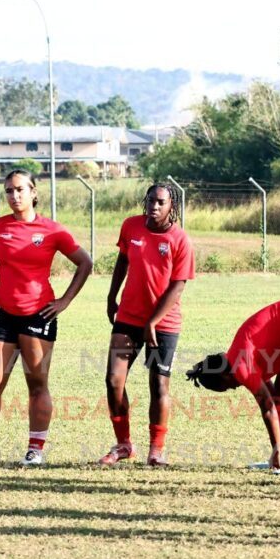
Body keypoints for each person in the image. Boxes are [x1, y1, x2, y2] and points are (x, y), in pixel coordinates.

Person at [0, 169, 93, 466]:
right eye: (9, 191)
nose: (14, 196)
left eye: (20, 189)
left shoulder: (53, 230)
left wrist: (65, 300)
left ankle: (35, 449)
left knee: (37, 383)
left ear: (33, 192)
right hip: (3, 315)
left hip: (39, 313)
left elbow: (84, 262)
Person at [101, 183, 195, 466]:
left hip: (163, 324)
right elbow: (122, 260)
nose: (154, 206)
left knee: (158, 384)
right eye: (151, 201)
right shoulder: (131, 227)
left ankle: (156, 449)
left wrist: (154, 321)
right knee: (113, 380)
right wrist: (111, 295)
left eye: (161, 202)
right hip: (128, 318)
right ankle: (123, 445)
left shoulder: (180, 239)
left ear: (171, 206)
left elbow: (178, 286)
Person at [185, 295, 280, 472]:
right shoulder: (236, 358)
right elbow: (273, 399)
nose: (234, 388)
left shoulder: (240, 367)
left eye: (227, 387)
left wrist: (274, 450)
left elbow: (267, 408)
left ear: (224, 375)